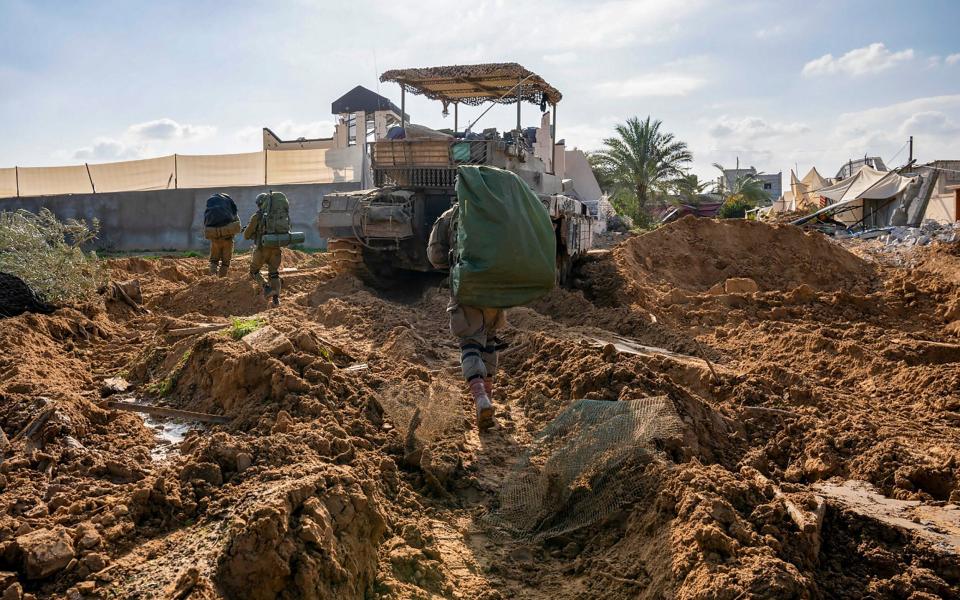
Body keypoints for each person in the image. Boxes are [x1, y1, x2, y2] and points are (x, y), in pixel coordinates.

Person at [427, 204, 504, 430]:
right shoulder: (499, 211)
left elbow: (435, 256)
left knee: (470, 343)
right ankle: (488, 401)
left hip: (467, 289)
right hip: (497, 290)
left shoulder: (451, 216)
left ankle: (480, 398)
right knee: (490, 341)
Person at [243, 191, 288, 307]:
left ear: (259, 204)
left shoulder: (257, 216)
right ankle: (276, 300)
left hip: (262, 249)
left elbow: (246, 235)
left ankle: (266, 287)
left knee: (254, 271)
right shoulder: (279, 217)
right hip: (276, 248)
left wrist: (250, 231)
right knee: (273, 273)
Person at [203, 193, 241, 277]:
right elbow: (237, 225)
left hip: (215, 240)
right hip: (227, 240)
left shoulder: (210, 212)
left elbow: (206, 223)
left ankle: (212, 279)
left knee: (214, 261)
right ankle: (221, 281)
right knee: (225, 263)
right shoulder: (231, 211)